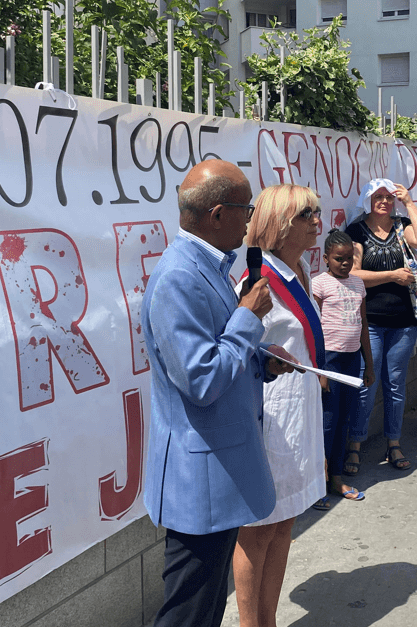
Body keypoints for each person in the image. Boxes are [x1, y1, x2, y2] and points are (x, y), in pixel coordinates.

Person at [141, 160, 295, 627]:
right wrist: (248, 317)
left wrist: (258, 356)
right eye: (245, 209)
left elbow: (215, 350)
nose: (250, 220)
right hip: (199, 479)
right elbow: (202, 380)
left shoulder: (207, 265)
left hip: (219, 470)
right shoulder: (179, 277)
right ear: (216, 214)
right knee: (189, 612)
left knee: (207, 608)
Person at [233, 184, 327, 627]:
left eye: (315, 212)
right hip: (270, 415)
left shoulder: (302, 269)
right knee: (258, 529)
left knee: (286, 521)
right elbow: (236, 349)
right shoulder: (255, 281)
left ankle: (268, 620)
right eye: (305, 214)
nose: (316, 221)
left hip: (299, 409)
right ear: (280, 224)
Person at [344, 179, 417, 473]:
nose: (384, 201)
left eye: (389, 197)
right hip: (370, 320)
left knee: (396, 385)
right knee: (367, 384)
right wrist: (392, 276)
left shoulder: (401, 226)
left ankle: (393, 442)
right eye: (378, 196)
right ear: (368, 199)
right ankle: (355, 444)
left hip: (405, 321)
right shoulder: (356, 230)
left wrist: (409, 203)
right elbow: (354, 274)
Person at [312, 229, 376, 509]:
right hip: (329, 361)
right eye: (339, 259)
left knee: (344, 422)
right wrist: (320, 370)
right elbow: (312, 329)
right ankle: (318, 484)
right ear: (326, 258)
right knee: (326, 422)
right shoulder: (318, 285)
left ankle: (336, 478)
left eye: (349, 258)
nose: (345, 263)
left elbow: (363, 327)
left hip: (351, 361)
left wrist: (369, 365)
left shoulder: (358, 285)